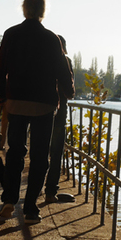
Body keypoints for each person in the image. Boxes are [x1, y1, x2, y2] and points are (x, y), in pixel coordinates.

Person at [0, 0, 74, 224]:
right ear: (43, 11)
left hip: (16, 102)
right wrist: (69, 92)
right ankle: (30, 209)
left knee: (15, 151)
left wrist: (1, 95)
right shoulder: (51, 38)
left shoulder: (11, 34)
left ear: (24, 9)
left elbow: (0, 67)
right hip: (43, 105)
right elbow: (62, 70)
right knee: (40, 156)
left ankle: (9, 199)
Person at [44, 35, 74, 203]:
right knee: (56, 154)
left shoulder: (40, 60)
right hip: (59, 113)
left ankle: (34, 191)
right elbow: (69, 89)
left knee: (40, 152)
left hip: (41, 111)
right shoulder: (65, 60)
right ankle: (50, 191)